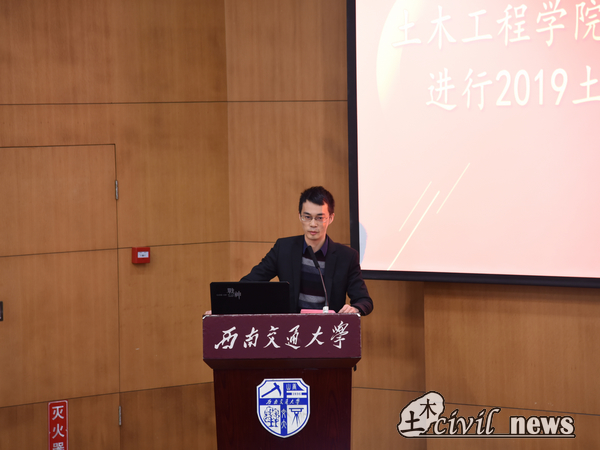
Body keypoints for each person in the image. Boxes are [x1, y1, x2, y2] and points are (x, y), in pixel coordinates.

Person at [240, 186, 373, 315]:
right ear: (300, 216)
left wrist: (355, 309)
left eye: (320, 218)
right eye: (307, 217)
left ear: (331, 218)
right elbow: (247, 285)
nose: (313, 224)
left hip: (328, 327)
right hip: (292, 327)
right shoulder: (284, 248)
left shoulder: (347, 256)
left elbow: (364, 301)